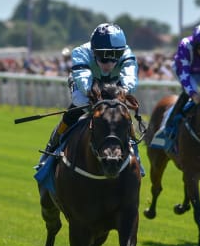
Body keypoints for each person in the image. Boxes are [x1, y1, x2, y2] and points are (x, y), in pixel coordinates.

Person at [39, 23, 138, 161]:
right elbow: (84, 80)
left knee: (121, 112)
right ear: (93, 50)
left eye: (115, 55)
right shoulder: (80, 52)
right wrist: (96, 96)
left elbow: (130, 79)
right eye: (103, 55)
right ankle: (51, 147)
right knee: (79, 103)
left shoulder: (128, 54)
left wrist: (122, 93)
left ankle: (134, 149)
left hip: (113, 86)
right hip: (84, 85)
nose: (109, 62)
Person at [154, 23, 200, 150]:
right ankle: (167, 127)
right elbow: (184, 76)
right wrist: (193, 94)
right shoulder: (185, 45)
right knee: (191, 94)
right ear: (195, 44)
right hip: (183, 71)